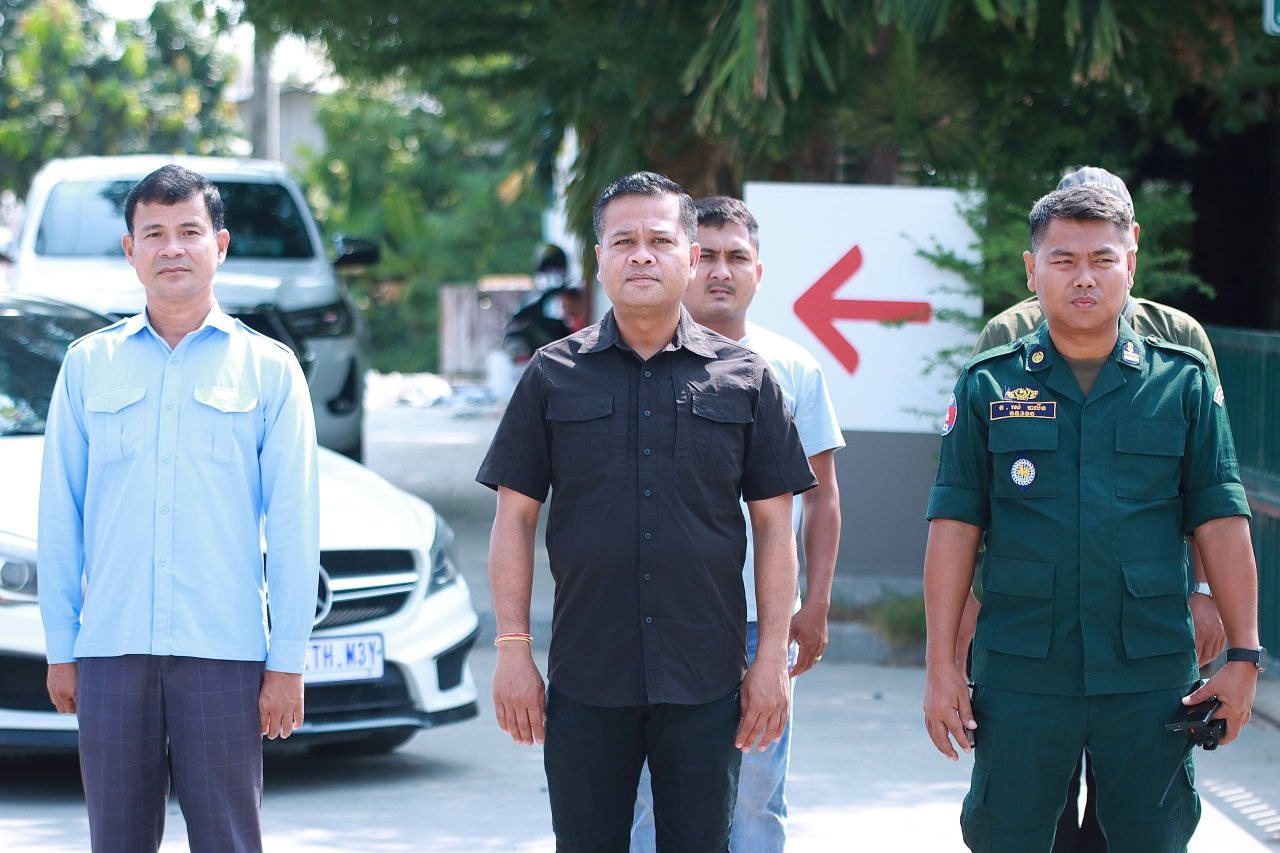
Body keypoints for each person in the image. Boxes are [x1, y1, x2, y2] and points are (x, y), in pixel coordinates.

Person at [477, 171, 816, 852]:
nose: (641, 255)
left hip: (706, 678)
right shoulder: (551, 374)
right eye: (623, 240)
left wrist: (770, 661)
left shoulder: (746, 378)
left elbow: (775, 527)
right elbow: (514, 519)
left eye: (659, 240)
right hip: (587, 674)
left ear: (689, 256)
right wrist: (513, 648)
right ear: (599, 259)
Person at [922, 184, 1262, 852]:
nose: (1084, 277)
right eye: (1064, 260)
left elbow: (1222, 518)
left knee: (1151, 838)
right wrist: (940, 666)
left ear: (1130, 264)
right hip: (1022, 673)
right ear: (1032, 270)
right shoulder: (989, 382)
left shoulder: (1182, 380)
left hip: (1149, 676)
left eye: (1102, 259)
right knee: (1007, 836)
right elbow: (954, 525)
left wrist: (1245, 656)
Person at [38, 164, 320, 853]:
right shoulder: (88, 365)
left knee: (228, 839)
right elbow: (60, 517)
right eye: (154, 233)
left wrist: (288, 659)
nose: (172, 248)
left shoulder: (269, 369)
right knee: (117, 840)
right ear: (129, 249)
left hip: (223, 651)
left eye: (189, 231)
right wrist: (61, 646)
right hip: (111, 650)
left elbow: (293, 525)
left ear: (219, 245)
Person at [631, 195, 843, 852]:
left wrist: (816, 603)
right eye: (710, 257)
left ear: (759, 271)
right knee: (650, 796)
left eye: (738, 257)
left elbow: (822, 497)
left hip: (760, 623)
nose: (721, 272)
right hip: (659, 618)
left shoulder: (793, 367)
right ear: (687, 261)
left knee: (755, 791)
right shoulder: (637, 361)